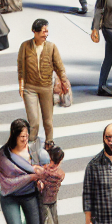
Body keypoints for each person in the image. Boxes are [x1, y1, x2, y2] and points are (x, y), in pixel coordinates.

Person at [17, 19, 69, 147]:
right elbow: (20, 67)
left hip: (46, 87)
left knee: (48, 120)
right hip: (30, 88)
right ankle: (32, 143)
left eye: (47, 31)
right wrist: (21, 85)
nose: (46, 34)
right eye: (43, 31)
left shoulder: (51, 47)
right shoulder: (25, 46)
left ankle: (49, 142)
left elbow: (59, 66)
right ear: (34, 31)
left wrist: (64, 81)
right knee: (33, 120)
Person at [38, 143, 65, 224]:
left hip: (44, 197)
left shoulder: (45, 171)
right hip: (53, 196)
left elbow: (40, 178)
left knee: (45, 214)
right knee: (54, 211)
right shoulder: (61, 174)